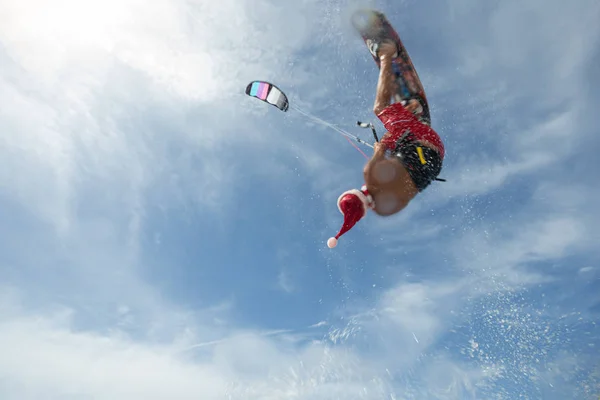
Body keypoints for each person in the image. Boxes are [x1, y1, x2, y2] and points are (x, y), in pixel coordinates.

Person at [327, 40, 445, 249]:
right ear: (356, 192)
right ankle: (386, 54)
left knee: (393, 145)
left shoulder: (385, 210)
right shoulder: (370, 174)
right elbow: (381, 151)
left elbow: (404, 176)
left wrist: (390, 147)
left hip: (435, 158)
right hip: (423, 143)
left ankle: (410, 114)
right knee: (380, 109)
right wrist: (379, 150)